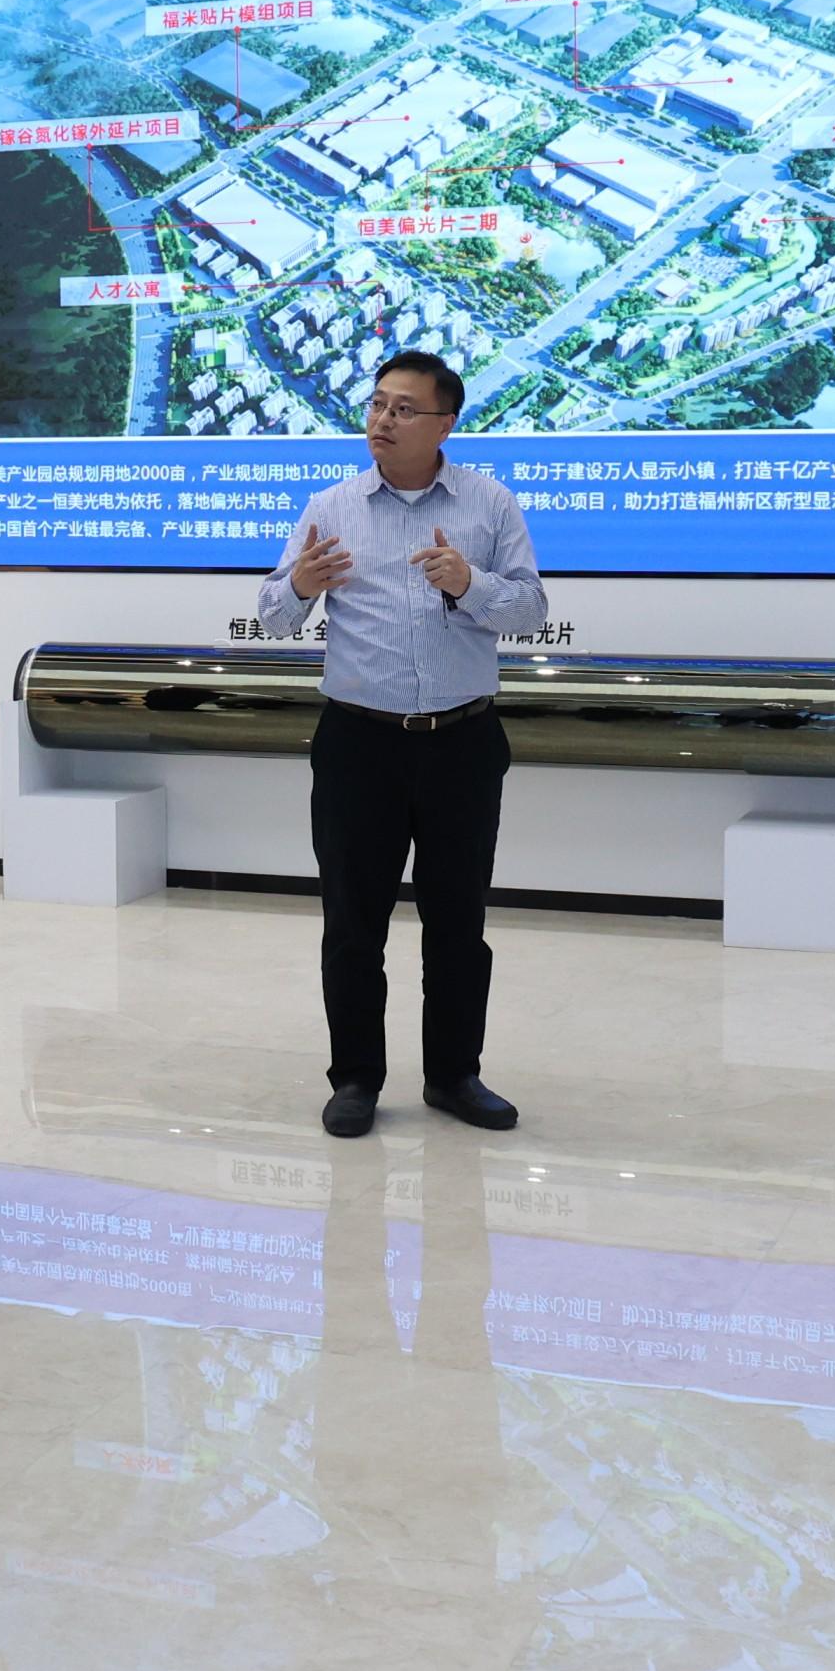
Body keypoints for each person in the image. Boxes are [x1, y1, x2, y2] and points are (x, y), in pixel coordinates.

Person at [254, 349, 548, 1139]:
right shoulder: (333, 504)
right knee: (354, 922)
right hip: (359, 743)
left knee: (459, 921)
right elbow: (275, 614)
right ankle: (354, 1077)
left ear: (445, 423)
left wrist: (467, 583)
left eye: (403, 408)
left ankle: (455, 1075)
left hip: (462, 740)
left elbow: (529, 609)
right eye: (378, 404)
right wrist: (304, 586)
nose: (382, 419)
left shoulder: (488, 505)